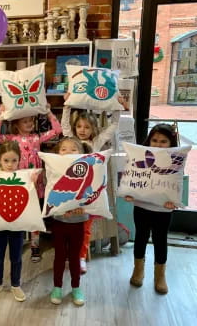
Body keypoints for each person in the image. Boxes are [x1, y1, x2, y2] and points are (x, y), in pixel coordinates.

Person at [0, 105, 62, 262]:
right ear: (16, 124)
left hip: (36, 184)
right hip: (18, 184)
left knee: (35, 216)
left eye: (31, 121)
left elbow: (57, 130)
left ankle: (35, 245)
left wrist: (49, 112)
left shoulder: (37, 138)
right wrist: (1, 116)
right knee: (20, 214)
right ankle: (18, 240)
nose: (29, 124)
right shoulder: (11, 138)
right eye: (25, 121)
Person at [61, 96, 121, 273]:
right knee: (68, 224)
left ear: (93, 129)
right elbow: (65, 126)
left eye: (87, 127)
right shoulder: (72, 141)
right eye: (79, 126)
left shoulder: (96, 142)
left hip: (89, 192)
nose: (82, 130)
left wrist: (116, 106)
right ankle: (67, 253)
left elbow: (113, 126)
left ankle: (80, 257)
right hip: (71, 191)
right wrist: (67, 105)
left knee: (85, 228)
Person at [0, 141, 39, 302]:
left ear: (19, 160)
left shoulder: (23, 176)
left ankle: (15, 284)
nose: (10, 164)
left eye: (14, 160)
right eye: (6, 160)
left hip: (17, 224)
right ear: (0, 160)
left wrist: (32, 182)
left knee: (16, 257)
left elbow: (28, 197)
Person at [124, 123, 179, 295]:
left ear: (171, 143)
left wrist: (173, 200)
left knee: (160, 239)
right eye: (154, 140)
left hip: (163, 209)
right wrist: (129, 192)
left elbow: (176, 184)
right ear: (149, 140)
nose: (158, 144)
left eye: (163, 141)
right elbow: (132, 176)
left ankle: (159, 276)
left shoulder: (175, 160)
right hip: (142, 206)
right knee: (140, 236)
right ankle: (138, 271)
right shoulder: (141, 157)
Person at [49, 137, 90, 307]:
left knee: (74, 257)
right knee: (59, 256)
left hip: (78, 222)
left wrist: (84, 206)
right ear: (58, 153)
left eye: (73, 149)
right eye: (63, 149)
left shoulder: (88, 171)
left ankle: (76, 287)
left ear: (81, 153)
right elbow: (51, 192)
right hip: (59, 221)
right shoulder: (54, 170)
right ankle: (57, 287)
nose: (68, 152)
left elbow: (91, 192)